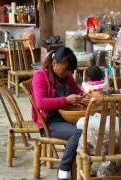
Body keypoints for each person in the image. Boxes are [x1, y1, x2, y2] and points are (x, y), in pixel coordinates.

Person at [32, 47, 87, 180]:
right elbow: (40, 103)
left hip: (65, 118)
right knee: (79, 133)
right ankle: (63, 169)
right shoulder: (40, 76)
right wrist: (66, 100)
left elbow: (78, 90)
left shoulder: (67, 76)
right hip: (49, 122)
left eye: (69, 70)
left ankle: (83, 167)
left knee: (90, 127)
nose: (67, 72)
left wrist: (84, 96)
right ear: (54, 63)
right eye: (65, 69)